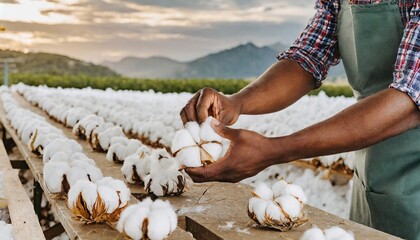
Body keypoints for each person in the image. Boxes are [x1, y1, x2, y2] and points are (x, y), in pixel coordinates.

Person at [179, 0, 420, 239]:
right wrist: (236, 103)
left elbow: (408, 101)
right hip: (372, 170)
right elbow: (308, 57)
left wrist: (274, 150)